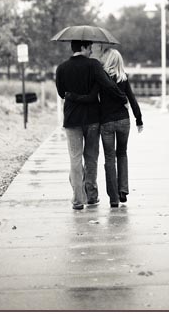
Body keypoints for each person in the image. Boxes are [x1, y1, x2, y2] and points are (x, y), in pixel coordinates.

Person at [66, 48, 143, 208]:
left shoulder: (101, 78)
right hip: (124, 122)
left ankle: (113, 199)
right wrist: (139, 119)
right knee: (122, 154)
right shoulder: (124, 77)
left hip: (106, 123)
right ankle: (123, 190)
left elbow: (92, 97)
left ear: (107, 61)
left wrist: (73, 96)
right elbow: (132, 99)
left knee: (109, 158)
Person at [55, 40, 127, 210]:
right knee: (91, 158)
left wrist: (73, 94)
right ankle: (92, 196)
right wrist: (122, 97)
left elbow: (61, 93)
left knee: (75, 158)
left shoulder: (62, 68)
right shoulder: (94, 65)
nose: (91, 51)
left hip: (72, 119)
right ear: (83, 48)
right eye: (89, 48)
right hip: (92, 119)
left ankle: (78, 199)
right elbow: (107, 84)